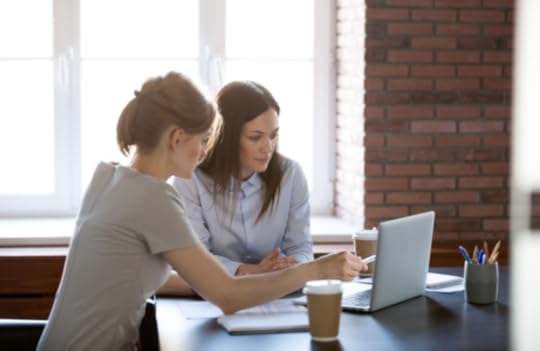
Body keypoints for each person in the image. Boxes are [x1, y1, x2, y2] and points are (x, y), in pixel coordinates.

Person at [37, 72, 366, 350]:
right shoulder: (153, 198)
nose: (206, 151)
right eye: (205, 139)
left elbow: (134, 278)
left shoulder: (110, 178)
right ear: (178, 138)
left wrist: (253, 275)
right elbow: (228, 297)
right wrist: (316, 271)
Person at [172, 80, 311, 276]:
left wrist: (289, 267)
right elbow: (196, 256)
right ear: (227, 137)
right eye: (256, 137)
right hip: (211, 293)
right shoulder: (191, 178)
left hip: (275, 289)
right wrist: (247, 271)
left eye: (273, 135)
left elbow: (302, 247)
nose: (268, 147)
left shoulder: (291, 174)